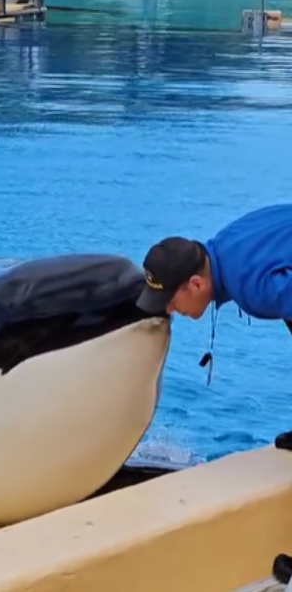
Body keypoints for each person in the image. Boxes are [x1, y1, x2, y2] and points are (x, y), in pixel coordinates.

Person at [135, 203, 292, 585]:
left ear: (195, 284)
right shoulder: (226, 245)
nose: (170, 311)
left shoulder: (251, 285)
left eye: (171, 301)